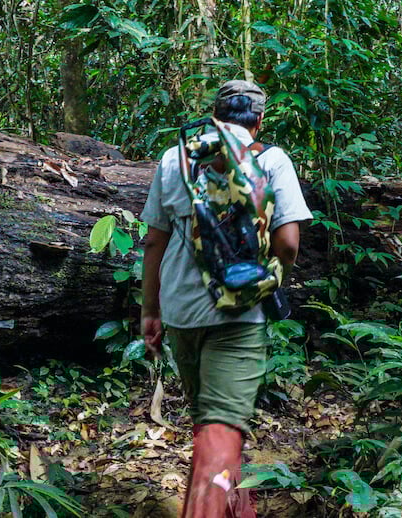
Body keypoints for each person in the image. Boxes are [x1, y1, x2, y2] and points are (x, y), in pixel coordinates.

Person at [139, 80, 311, 518]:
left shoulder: (175, 159)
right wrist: (270, 280)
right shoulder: (271, 160)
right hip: (240, 316)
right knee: (221, 428)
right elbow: (288, 245)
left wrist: (149, 310)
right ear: (260, 120)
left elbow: (154, 241)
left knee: (209, 422)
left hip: (180, 312)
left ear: (214, 115)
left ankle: (237, 509)